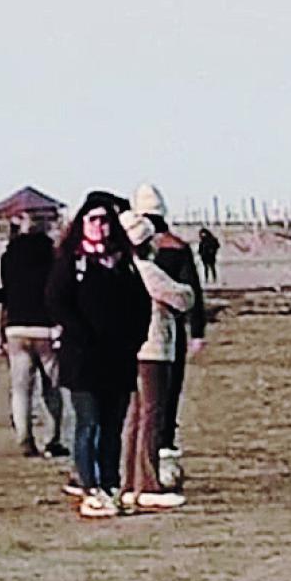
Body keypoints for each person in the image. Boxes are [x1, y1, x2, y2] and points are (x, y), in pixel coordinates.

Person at [46, 192, 151, 517]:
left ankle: (110, 485)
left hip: (118, 360)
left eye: (105, 220)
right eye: (93, 220)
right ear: (82, 224)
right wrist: (82, 335)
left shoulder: (124, 264)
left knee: (112, 427)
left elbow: (141, 305)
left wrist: (134, 339)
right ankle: (90, 488)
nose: (100, 227)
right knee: (88, 424)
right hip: (83, 360)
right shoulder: (71, 263)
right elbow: (56, 302)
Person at [119, 209, 195, 511]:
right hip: (153, 350)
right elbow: (181, 297)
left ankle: (130, 479)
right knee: (151, 416)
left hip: (133, 349)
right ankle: (146, 481)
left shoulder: (123, 269)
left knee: (135, 418)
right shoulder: (146, 270)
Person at [130, 184, 206, 459]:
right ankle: (164, 441)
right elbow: (192, 291)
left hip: (131, 330)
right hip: (168, 327)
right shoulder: (176, 247)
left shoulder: (127, 253)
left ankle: (143, 445)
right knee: (168, 389)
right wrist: (197, 330)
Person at [0, 212, 67, 458]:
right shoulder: (54, 256)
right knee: (52, 388)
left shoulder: (6, 257)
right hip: (46, 328)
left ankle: (24, 439)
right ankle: (52, 438)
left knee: (21, 388)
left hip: (16, 328)